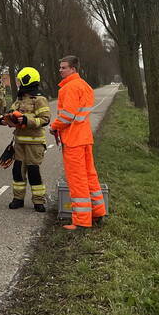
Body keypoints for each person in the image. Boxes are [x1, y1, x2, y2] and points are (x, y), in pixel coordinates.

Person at [50, 55, 106, 230]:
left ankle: (81, 221)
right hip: (85, 138)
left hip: (73, 140)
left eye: (64, 67)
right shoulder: (85, 86)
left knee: (77, 180)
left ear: (73, 69)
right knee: (90, 176)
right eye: (60, 67)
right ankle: (98, 212)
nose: (60, 70)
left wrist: (54, 126)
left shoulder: (69, 88)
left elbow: (67, 116)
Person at [0, 66, 52, 212]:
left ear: (28, 80)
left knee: (33, 172)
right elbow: (12, 112)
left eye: (20, 80)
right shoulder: (20, 98)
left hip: (35, 144)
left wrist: (26, 120)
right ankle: (18, 199)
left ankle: (38, 201)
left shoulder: (39, 99)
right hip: (19, 143)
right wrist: (6, 119)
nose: (19, 83)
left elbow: (45, 119)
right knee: (17, 171)